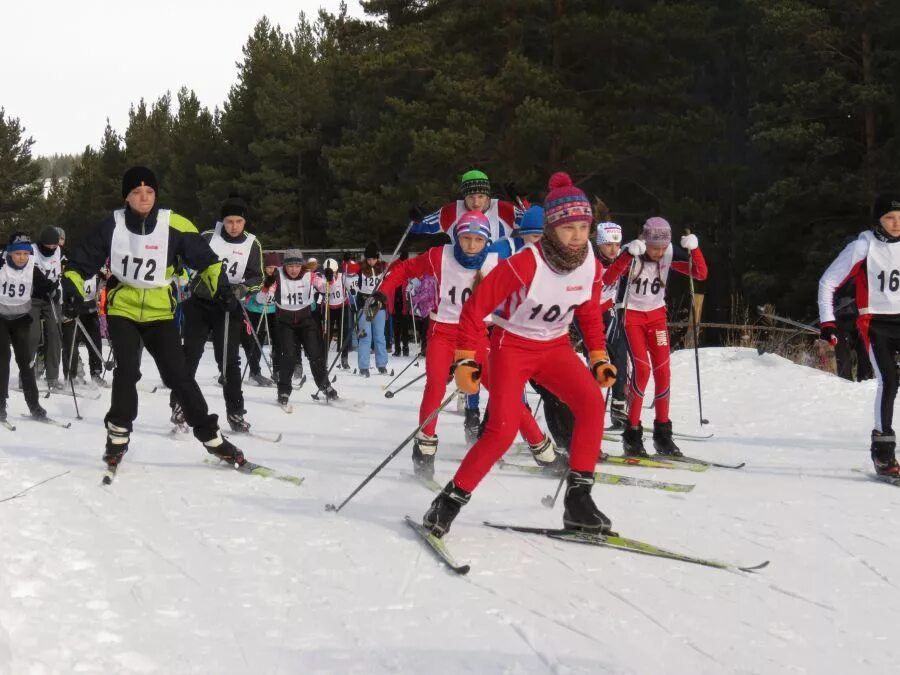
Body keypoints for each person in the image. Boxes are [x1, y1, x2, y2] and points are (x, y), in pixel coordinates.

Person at [420, 173, 617, 537]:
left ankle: (578, 501)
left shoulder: (590, 260)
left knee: (591, 404)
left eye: (584, 226)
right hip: (513, 347)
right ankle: (447, 502)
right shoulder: (526, 262)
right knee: (502, 431)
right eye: (569, 227)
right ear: (552, 228)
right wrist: (466, 359)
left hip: (555, 346)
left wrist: (598, 356)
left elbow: (588, 310)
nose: (577, 235)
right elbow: (475, 308)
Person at [61, 166, 246, 470]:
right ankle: (118, 434)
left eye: (149, 192)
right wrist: (71, 289)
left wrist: (222, 289)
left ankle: (211, 436)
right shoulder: (112, 225)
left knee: (179, 376)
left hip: (161, 311)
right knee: (127, 370)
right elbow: (80, 262)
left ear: (156, 194)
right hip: (124, 309)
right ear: (127, 197)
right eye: (136, 192)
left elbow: (207, 262)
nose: (143, 197)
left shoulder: (174, 223)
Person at [368, 210, 560, 479]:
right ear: (457, 238)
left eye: (478, 240)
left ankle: (543, 451)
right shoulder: (440, 256)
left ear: (486, 242)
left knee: (505, 392)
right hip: (443, 333)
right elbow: (403, 270)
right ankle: (424, 450)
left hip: (477, 336)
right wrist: (382, 292)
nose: (471, 245)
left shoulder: (495, 262)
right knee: (435, 386)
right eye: (466, 238)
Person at [601, 217, 708, 457]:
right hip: (631, 317)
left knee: (663, 370)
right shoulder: (634, 250)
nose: (659, 253)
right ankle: (632, 435)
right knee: (643, 370)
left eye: (663, 248)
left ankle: (663, 435)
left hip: (656, 316)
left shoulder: (669, 251)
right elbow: (608, 279)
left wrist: (695, 249)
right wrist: (627, 255)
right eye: (654, 248)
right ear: (645, 241)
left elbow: (700, 274)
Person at [819, 193, 900, 476]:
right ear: (878, 220)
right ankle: (883, 451)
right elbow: (828, 281)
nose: (896, 223)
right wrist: (828, 322)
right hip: (875, 322)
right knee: (889, 381)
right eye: (889, 218)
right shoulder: (864, 245)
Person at [171, 196, 264, 433]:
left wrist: (242, 288)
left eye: (239, 221)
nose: (234, 226)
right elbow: (185, 257)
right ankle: (180, 405)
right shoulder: (208, 237)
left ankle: (235, 411)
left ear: (245, 222)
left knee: (229, 361)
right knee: (190, 355)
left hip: (228, 307)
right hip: (200, 303)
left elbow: (257, 276)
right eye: (230, 221)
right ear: (222, 221)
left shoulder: (252, 244)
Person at [256, 249, 337, 407]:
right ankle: (283, 391)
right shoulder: (277, 276)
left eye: (297, 265)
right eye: (290, 266)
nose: (293, 269)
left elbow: (326, 289)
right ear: (284, 266)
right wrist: (266, 286)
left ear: (302, 265)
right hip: (285, 322)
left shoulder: (310, 275)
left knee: (315, 354)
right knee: (289, 356)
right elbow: (260, 300)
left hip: (306, 320)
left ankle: (325, 385)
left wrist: (330, 279)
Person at [0, 232, 55, 421]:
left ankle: (34, 405)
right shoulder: (1, 264)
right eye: (18, 254)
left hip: (21, 319)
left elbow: (43, 285)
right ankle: (0, 404)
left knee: (26, 361)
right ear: (10, 253)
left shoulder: (32, 267)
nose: (22, 257)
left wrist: (51, 290)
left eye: (25, 253)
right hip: (1, 318)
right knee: (3, 358)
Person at [412, 169, 520, 242]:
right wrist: (416, 218)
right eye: (471, 197)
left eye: (481, 196)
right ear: (464, 197)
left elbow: (533, 225)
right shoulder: (451, 211)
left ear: (488, 196)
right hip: (463, 272)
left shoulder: (503, 209)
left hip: (498, 271)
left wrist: (522, 201)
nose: (476, 203)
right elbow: (421, 226)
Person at [595, 220, 629, 428]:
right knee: (597, 358)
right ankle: (588, 407)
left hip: (606, 308)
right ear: (599, 244)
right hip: (585, 312)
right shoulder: (591, 261)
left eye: (617, 245)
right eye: (608, 245)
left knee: (620, 352)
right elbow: (608, 279)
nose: (613, 249)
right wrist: (625, 258)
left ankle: (618, 406)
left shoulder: (618, 258)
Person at [27, 226, 64, 390]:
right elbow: (34, 274)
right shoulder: (32, 251)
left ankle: (53, 377)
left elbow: (65, 272)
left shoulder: (59, 251)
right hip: (33, 298)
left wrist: (59, 290)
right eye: (47, 247)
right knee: (32, 336)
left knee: (55, 335)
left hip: (51, 298)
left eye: (53, 246)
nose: (51, 249)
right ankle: (26, 375)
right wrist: (46, 286)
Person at [241, 251, 281, 386]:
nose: (272, 270)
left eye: (275, 268)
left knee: (278, 340)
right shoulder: (259, 278)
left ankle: (277, 370)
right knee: (256, 341)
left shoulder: (280, 278)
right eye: (269, 267)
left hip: (273, 311)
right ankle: (254, 372)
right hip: (255, 310)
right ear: (264, 267)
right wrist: (266, 287)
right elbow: (258, 299)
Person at [61, 269, 105, 386]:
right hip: (71, 306)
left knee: (95, 341)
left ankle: (96, 373)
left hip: (90, 306)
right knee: (70, 342)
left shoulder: (95, 260)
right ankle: (72, 374)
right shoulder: (67, 260)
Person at [355, 242, 388, 376]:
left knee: (380, 336)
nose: (371, 261)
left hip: (379, 306)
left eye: (373, 259)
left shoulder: (383, 268)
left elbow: (389, 283)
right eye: (368, 259)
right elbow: (353, 286)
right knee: (365, 336)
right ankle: (363, 366)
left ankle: (381, 364)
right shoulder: (360, 270)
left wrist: (383, 294)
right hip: (365, 305)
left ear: (377, 258)